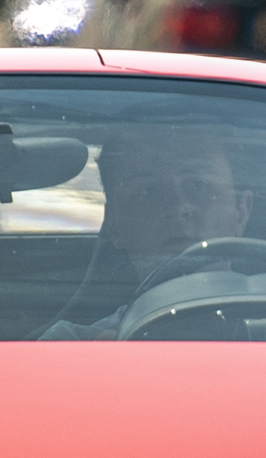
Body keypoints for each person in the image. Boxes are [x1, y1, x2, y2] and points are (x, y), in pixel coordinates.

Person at [43, 132, 255, 338]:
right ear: (114, 225)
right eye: (149, 191)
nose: (177, 207)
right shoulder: (68, 350)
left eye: (198, 185)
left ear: (242, 211)